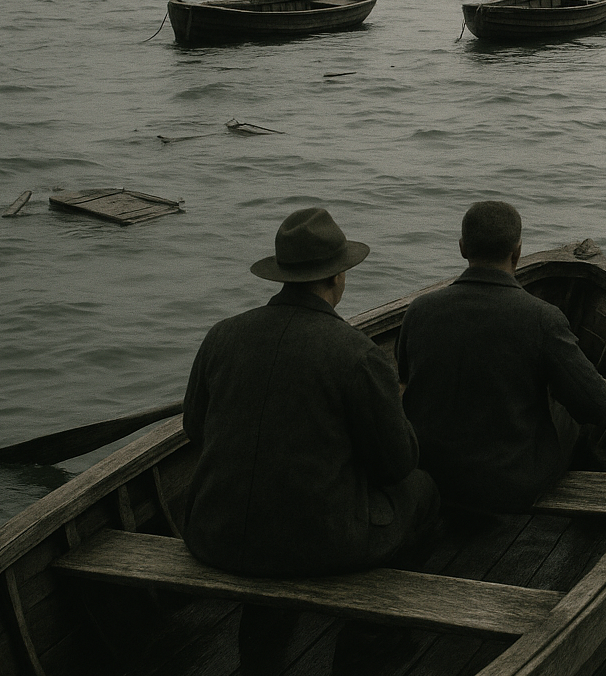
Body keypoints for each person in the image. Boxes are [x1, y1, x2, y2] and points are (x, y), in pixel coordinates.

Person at [182, 207, 439, 577]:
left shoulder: (221, 335)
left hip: (212, 534)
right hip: (317, 548)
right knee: (422, 489)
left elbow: (195, 429)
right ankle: (382, 613)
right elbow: (395, 465)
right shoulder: (359, 354)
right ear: (337, 275)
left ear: (282, 274)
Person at [396, 201, 606, 512]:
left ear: (462, 248)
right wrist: (605, 391)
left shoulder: (419, 310)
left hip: (431, 476)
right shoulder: (542, 318)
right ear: (517, 251)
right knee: (584, 403)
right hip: (509, 485)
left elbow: (405, 386)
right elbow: (594, 409)